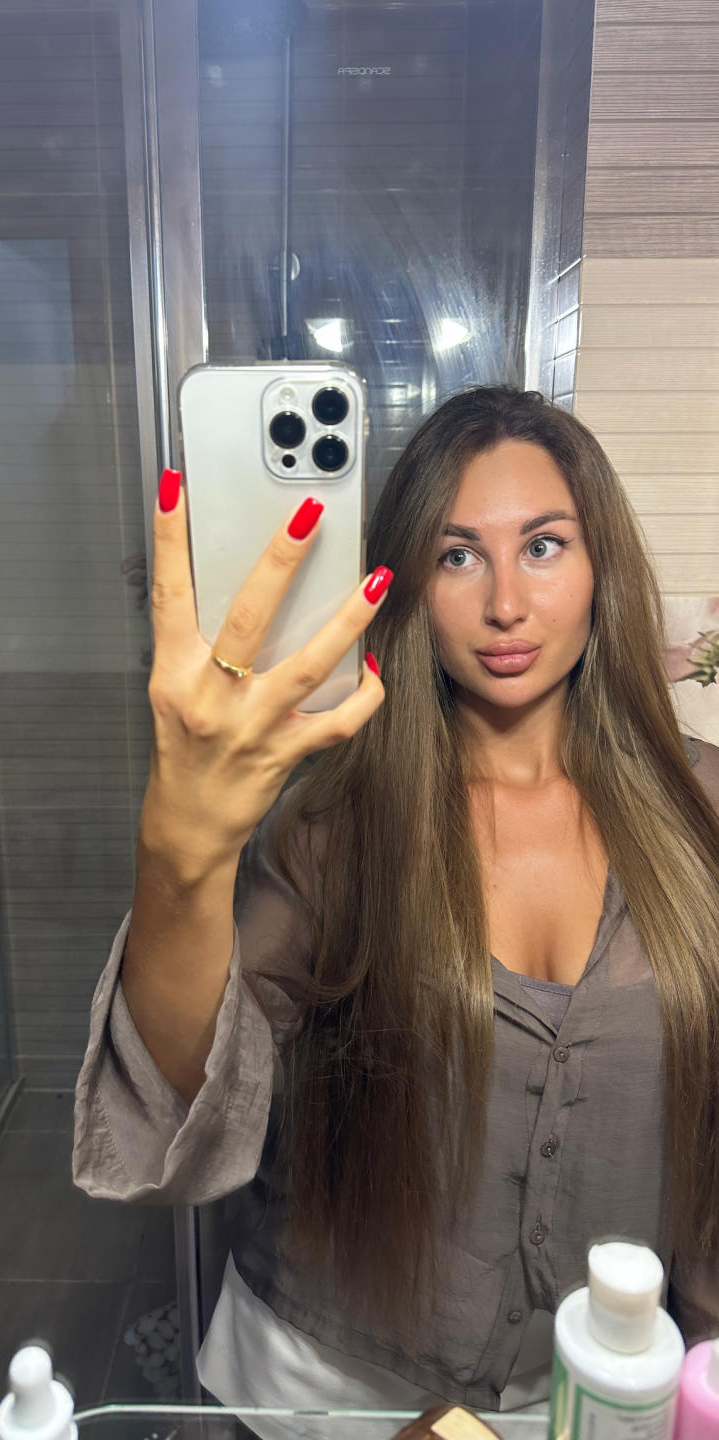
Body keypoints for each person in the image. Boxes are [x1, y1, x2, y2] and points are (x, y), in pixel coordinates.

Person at [73, 386, 719, 1429]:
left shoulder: (703, 813)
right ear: (407, 581)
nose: (506, 602)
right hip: (324, 1393)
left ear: (601, 561)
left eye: (543, 546)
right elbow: (187, 1100)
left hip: (596, 1393)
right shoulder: (337, 824)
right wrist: (179, 850)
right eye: (458, 556)